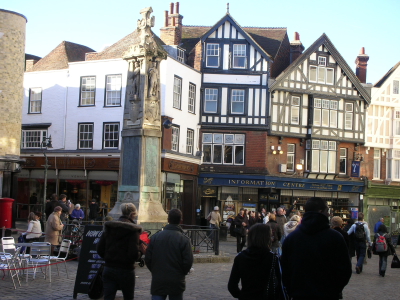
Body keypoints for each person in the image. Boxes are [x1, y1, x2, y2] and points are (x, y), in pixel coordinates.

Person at [281, 197, 351, 300]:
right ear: (321, 211)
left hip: (299, 295)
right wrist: (334, 290)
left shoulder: (292, 238)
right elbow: (344, 269)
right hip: (327, 295)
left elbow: (285, 270)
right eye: (327, 211)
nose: (329, 214)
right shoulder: (335, 237)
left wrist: (293, 289)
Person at [97, 203, 144, 300]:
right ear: (133, 214)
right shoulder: (133, 231)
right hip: (126, 270)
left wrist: (108, 258)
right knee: (128, 296)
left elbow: (100, 248)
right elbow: (133, 254)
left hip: (109, 267)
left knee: (108, 297)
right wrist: (140, 253)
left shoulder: (110, 227)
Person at [145, 209, 193, 300]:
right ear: (180, 220)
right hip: (176, 280)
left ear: (168, 220)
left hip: (159, 279)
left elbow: (148, 258)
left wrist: (155, 271)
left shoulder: (156, 237)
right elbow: (188, 261)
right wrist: (181, 273)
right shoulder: (184, 239)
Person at [228, 223, 276, 300]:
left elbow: (232, 286)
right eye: (270, 236)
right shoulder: (273, 258)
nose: (272, 238)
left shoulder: (240, 257)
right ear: (266, 238)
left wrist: (242, 296)